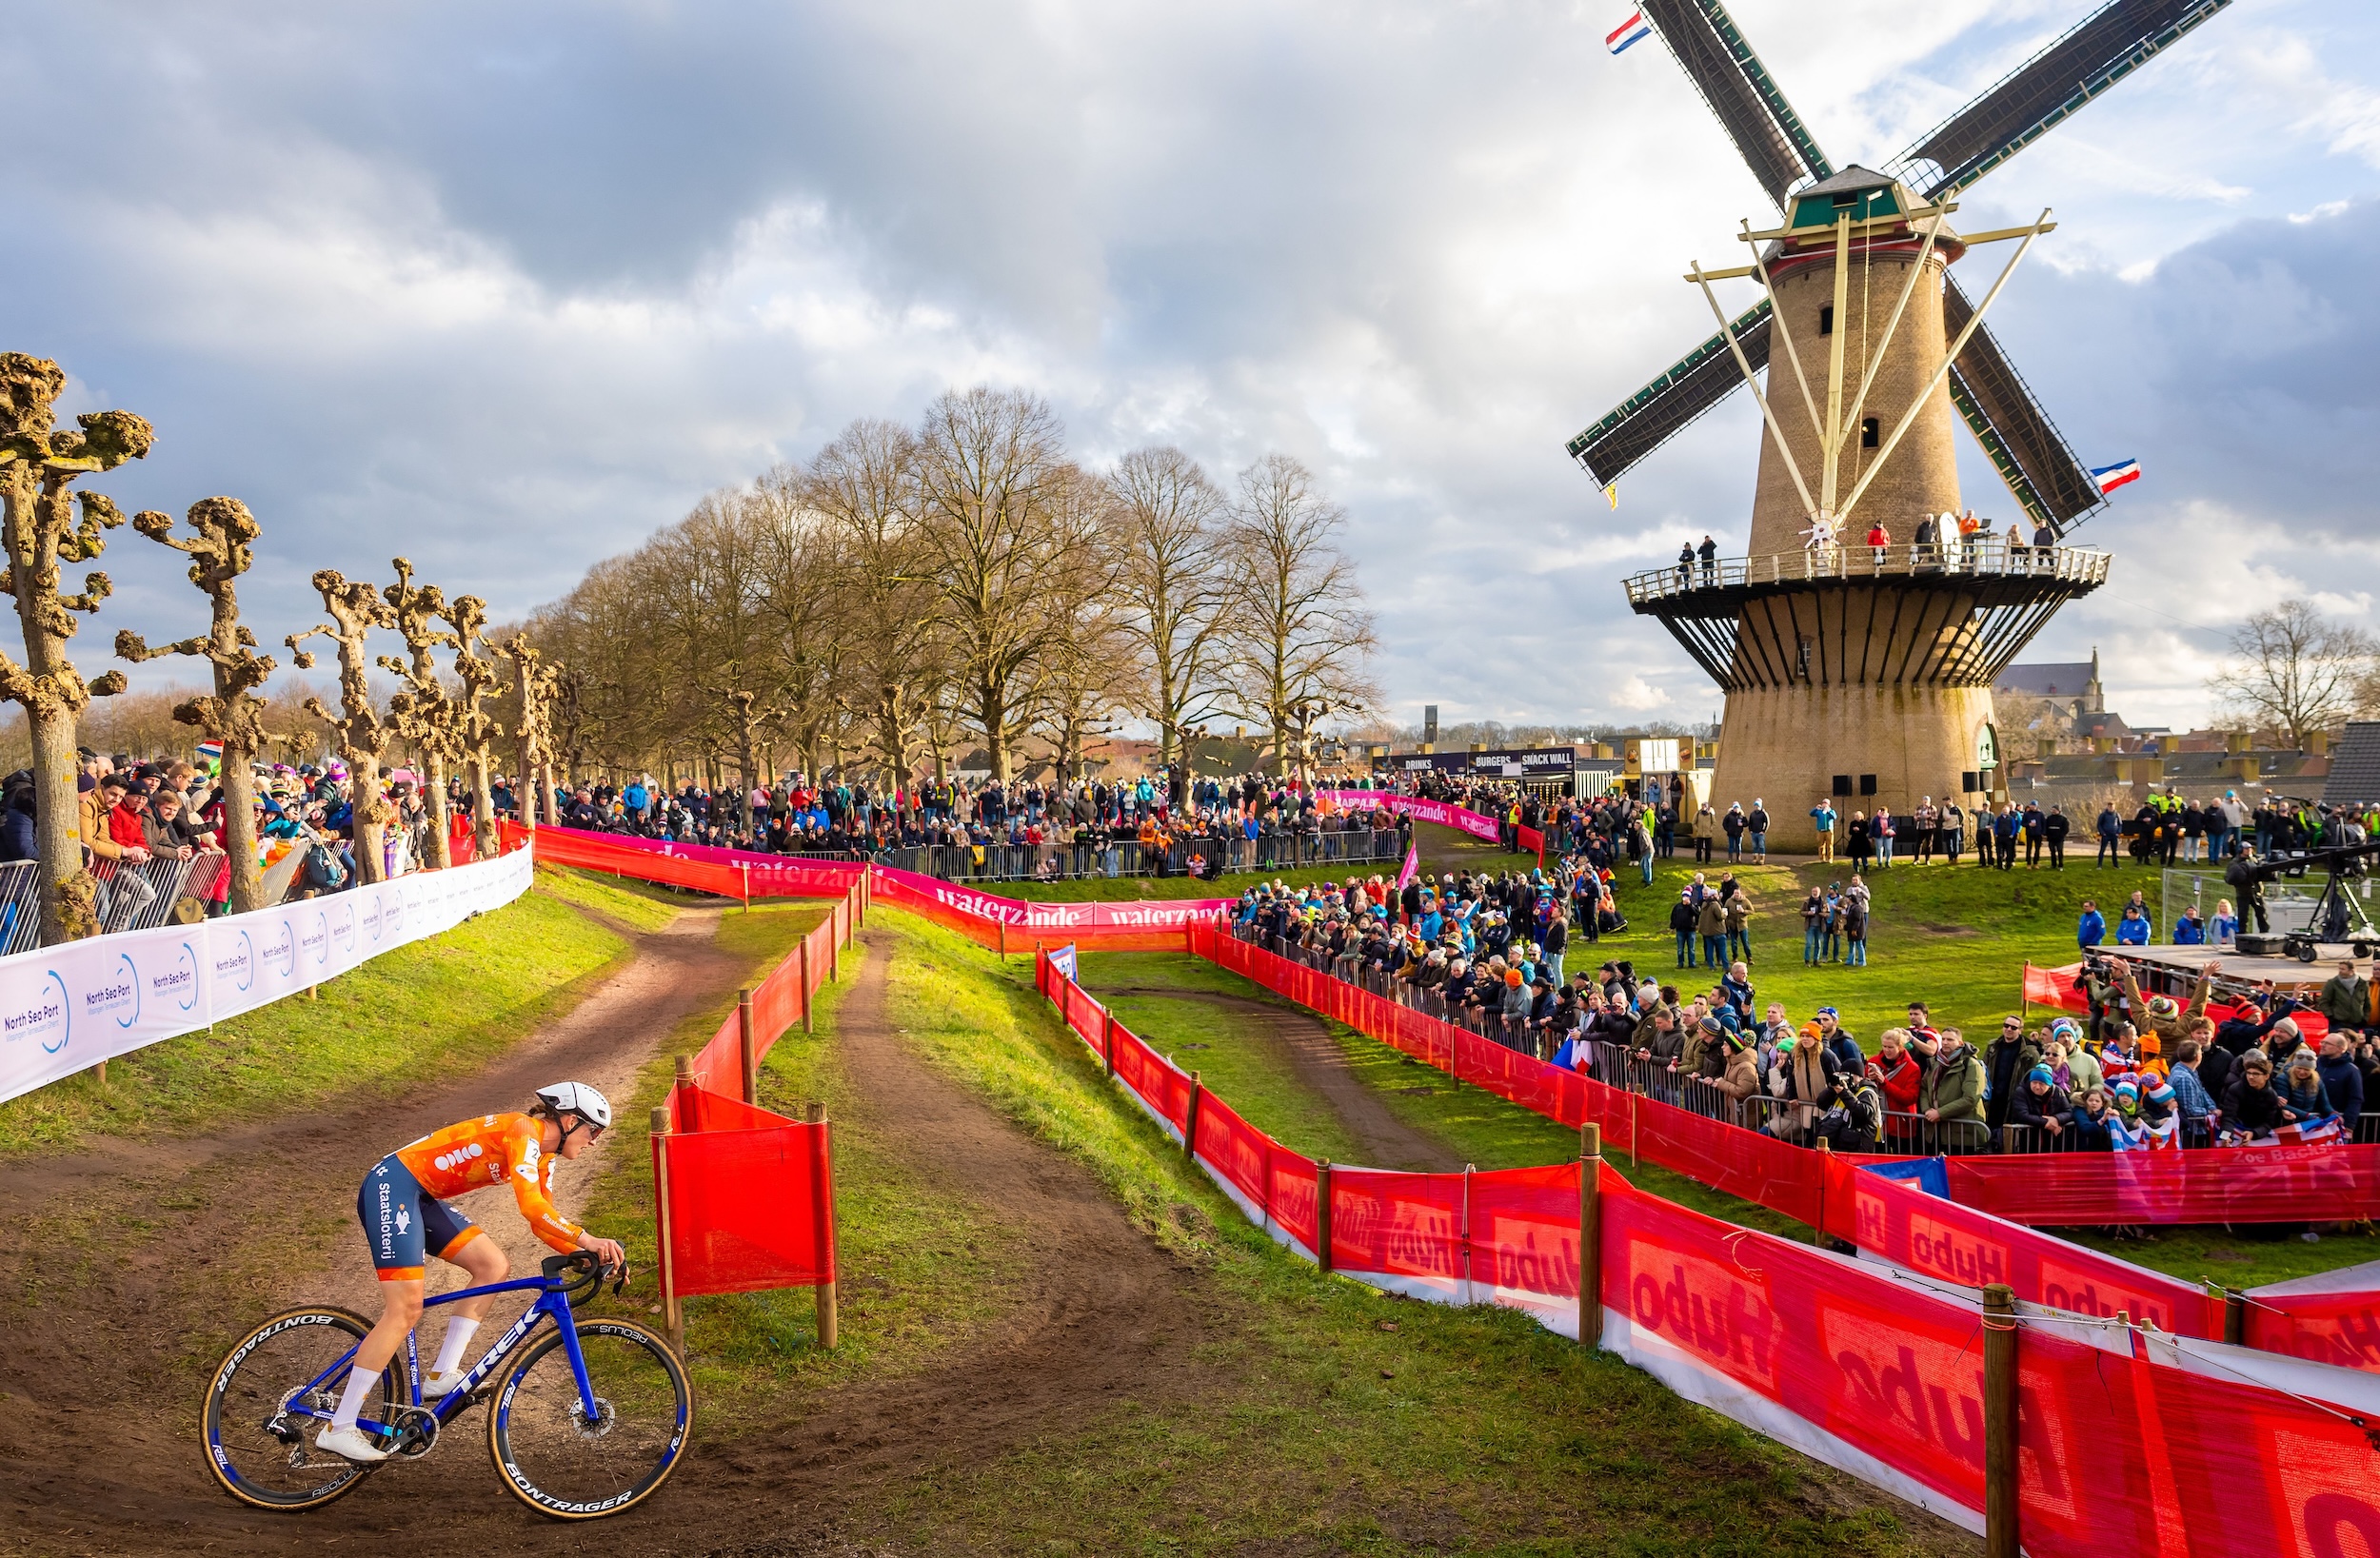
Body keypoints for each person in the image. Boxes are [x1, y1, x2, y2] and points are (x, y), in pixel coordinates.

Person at [314, 1082, 625, 1464]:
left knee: (492, 1266)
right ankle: (339, 1427)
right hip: (393, 1186)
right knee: (405, 1310)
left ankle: (441, 1374)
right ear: (570, 1120)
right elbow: (530, 1207)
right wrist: (588, 1239)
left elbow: (543, 1222)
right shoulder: (523, 1132)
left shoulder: (544, 1155)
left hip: (421, 1197)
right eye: (594, 1131)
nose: (594, 1142)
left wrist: (584, 1253)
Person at [1920, 1028, 1984, 1150]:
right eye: (1943, 1039)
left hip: (1962, 1134)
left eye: (1950, 1039)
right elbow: (1923, 1088)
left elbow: (1970, 1098)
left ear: (1960, 1043)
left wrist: (1940, 1113)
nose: (1945, 1042)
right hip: (1935, 1131)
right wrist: (1927, 1109)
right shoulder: (1935, 1063)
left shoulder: (1971, 1065)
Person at [2318, 1033, 2366, 1138]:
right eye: (2323, 1042)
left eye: (2328, 1043)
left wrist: (2349, 1126)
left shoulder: (2351, 1071)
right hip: (2311, 1121)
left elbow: (2355, 1099)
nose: (2323, 1045)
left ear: (2340, 1049)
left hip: (2335, 1124)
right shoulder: (2315, 1064)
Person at [1810, 799, 1837, 863]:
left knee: (1829, 845)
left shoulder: (1831, 811)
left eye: (1826, 803)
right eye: (1823, 803)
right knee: (1821, 845)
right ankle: (1822, 858)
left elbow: (1834, 817)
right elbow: (1811, 814)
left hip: (1829, 830)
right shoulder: (1819, 812)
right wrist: (1816, 808)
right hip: (1820, 830)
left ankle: (1830, 858)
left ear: (1829, 804)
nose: (1824, 804)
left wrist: (1829, 811)